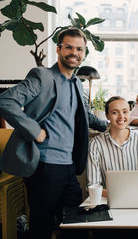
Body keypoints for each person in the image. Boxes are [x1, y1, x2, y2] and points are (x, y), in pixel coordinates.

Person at [0, 28, 108, 239]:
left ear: (84, 54)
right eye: (68, 47)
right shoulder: (43, 76)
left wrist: (111, 125)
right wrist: (34, 131)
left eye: (79, 49)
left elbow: (86, 116)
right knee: (42, 226)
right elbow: (6, 100)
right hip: (44, 166)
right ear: (58, 50)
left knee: (77, 224)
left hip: (69, 167)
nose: (74, 52)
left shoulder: (77, 83)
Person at [88, 96, 138, 196]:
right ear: (107, 116)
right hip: (109, 200)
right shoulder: (95, 144)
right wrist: (120, 195)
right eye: (115, 112)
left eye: (125, 112)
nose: (121, 117)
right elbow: (93, 186)